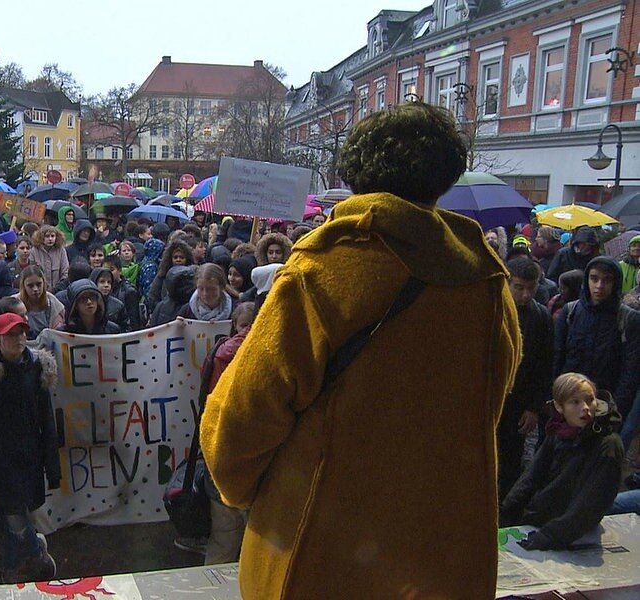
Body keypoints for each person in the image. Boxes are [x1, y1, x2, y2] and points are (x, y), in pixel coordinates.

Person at [200, 102, 521, 599]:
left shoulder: (326, 271)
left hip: (324, 547)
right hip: (440, 546)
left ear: (355, 176)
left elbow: (244, 413)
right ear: (445, 177)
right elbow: (494, 395)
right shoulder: (484, 278)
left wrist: (242, 490)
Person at [0, 313, 60, 582]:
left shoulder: (36, 369)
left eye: (21, 332)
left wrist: (51, 465)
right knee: (13, 517)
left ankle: (13, 565)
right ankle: (36, 550)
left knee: (15, 516)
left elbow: (47, 421)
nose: (18, 339)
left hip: (29, 457)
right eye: (10, 334)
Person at [501, 372, 623, 550]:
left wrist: (550, 536)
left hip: (569, 533)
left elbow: (590, 503)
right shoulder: (558, 431)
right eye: (575, 402)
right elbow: (531, 476)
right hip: (541, 520)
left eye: (590, 400)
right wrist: (505, 514)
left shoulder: (608, 444)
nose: (585, 408)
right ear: (560, 407)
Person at [554, 258, 640, 440]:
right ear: (587, 280)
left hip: (604, 405)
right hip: (568, 402)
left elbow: (630, 373)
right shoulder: (571, 311)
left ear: (615, 282)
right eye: (594, 278)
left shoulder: (627, 319)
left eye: (607, 280)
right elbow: (556, 356)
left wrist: (615, 411)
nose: (599, 286)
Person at [198, 302, 257, 563]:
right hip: (248, 457)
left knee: (223, 537)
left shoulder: (218, 353)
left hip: (219, 452)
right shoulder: (256, 352)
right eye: (246, 326)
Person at [499, 257, 554, 498]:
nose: (525, 294)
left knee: (513, 457)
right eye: (519, 288)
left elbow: (545, 364)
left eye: (531, 288)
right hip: (490, 398)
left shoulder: (541, 316)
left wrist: (534, 408)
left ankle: (505, 506)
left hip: (520, 401)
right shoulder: (493, 308)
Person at [15, 265, 64, 339]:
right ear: (23, 286)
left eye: (39, 284)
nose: (35, 289)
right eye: (30, 286)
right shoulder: (15, 302)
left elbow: (57, 333)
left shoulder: (52, 302)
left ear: (44, 283)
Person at [29, 225, 69, 290]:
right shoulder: (34, 251)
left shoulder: (61, 250)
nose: (50, 239)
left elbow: (65, 271)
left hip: (58, 289)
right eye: (47, 236)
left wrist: (59, 287)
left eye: (52, 236)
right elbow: (31, 271)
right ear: (41, 237)